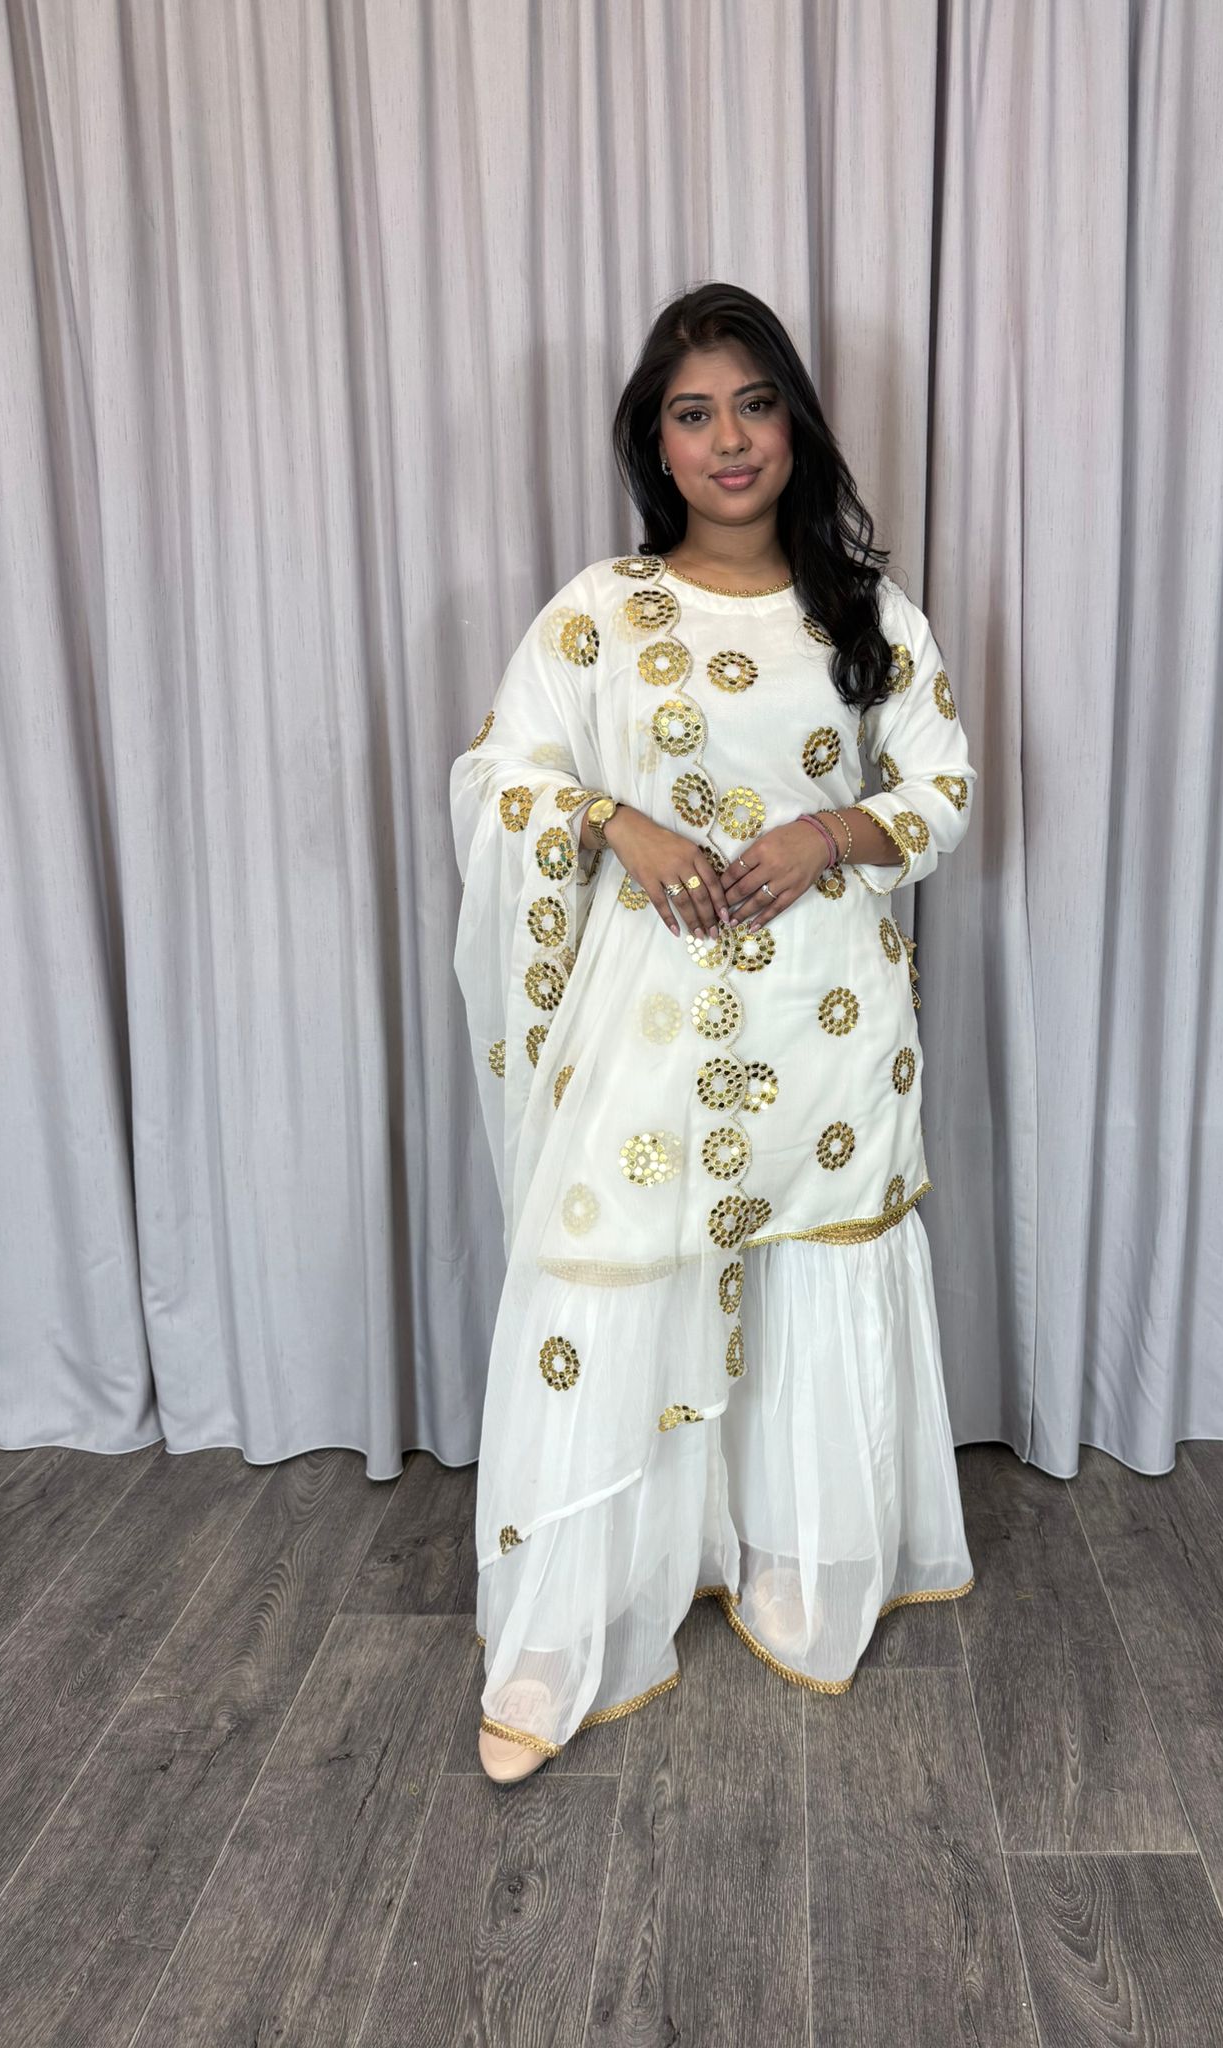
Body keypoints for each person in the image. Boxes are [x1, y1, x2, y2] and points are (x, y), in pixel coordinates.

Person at [449, 282, 978, 1784]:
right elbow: (497, 774)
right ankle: (562, 1624)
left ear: (796, 424)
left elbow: (944, 788)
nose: (730, 439)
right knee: (609, 1267)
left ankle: (801, 1549)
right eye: (695, 414)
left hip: (827, 1015)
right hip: (651, 1011)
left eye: (755, 405)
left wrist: (832, 832)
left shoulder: (867, 615)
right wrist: (614, 822)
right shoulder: (602, 611)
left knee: (813, 1260)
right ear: (657, 442)